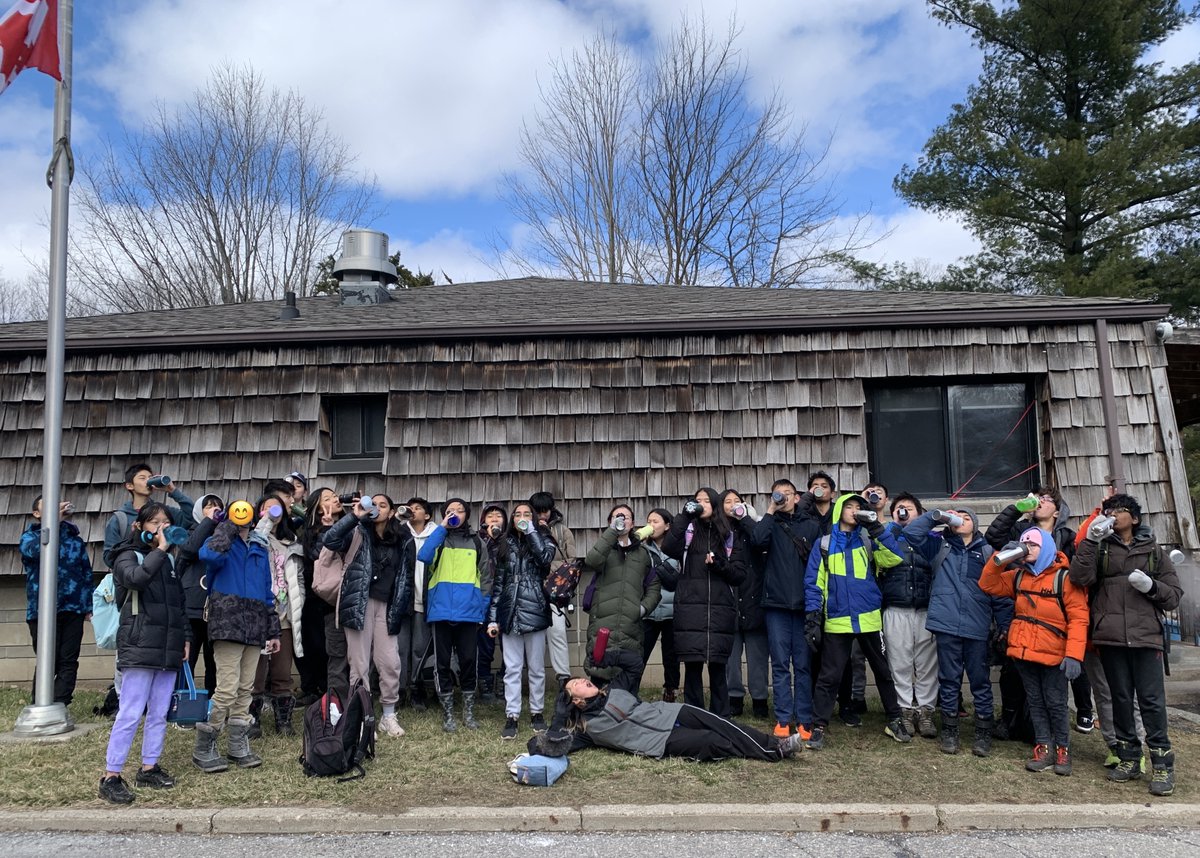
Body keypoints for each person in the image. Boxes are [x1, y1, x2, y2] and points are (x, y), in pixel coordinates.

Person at [1069, 493, 1183, 796]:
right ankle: (1129, 757)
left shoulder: (1152, 550)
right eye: (1108, 510)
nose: (1112, 515)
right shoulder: (1100, 548)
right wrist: (1090, 541)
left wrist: (1151, 586)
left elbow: (1173, 595)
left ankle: (1162, 762)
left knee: (1151, 701)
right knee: (1119, 699)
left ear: (1133, 518)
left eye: (1118, 511)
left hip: (1146, 637)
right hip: (1110, 636)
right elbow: (1079, 578)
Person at [552, 648, 803, 762]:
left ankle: (775, 747)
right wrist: (560, 712)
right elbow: (551, 745)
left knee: (721, 724)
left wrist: (606, 658)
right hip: (661, 742)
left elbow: (635, 663)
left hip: (669, 713)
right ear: (575, 700)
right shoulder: (588, 730)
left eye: (581, 678)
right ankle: (760, 749)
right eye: (576, 684)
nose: (583, 680)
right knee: (711, 741)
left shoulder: (615, 688)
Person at [803, 493, 911, 749]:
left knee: (884, 672)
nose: (853, 510)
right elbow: (813, 584)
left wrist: (876, 529)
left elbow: (894, 558)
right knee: (830, 676)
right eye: (848, 506)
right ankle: (819, 726)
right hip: (837, 620)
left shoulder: (868, 540)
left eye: (857, 507)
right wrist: (812, 618)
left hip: (869, 619)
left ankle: (894, 720)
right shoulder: (824, 544)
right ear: (839, 510)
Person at [98, 503, 190, 805]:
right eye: (154, 522)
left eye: (166, 522)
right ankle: (111, 775)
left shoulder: (170, 561)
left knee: (160, 711)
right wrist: (160, 551)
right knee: (131, 711)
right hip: (139, 643)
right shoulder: (126, 556)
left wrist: (185, 637)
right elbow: (135, 579)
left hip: (168, 645)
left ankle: (149, 766)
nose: (161, 528)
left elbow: (179, 602)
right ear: (140, 526)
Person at [979, 528, 1088, 776]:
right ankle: (1043, 747)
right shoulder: (1018, 576)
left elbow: (1079, 619)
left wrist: (1074, 655)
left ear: (1047, 548)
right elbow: (987, 584)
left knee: (1056, 703)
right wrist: (999, 558)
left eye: (1033, 544)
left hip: (1054, 655)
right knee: (1036, 702)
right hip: (1024, 653)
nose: (1027, 547)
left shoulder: (1065, 579)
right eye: (1024, 542)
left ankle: (1063, 750)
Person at [985, 487, 1093, 737]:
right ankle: (1011, 720)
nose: (1039, 503)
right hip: (1021, 602)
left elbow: (1079, 575)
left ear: (1058, 511)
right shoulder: (1020, 531)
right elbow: (994, 536)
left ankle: (1081, 712)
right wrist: (1016, 509)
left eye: (1045, 500)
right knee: (1015, 670)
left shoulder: (1066, 536)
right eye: (1037, 499)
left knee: (1063, 669)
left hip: (1057, 610)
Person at [906, 506, 1012, 756]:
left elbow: (1000, 594)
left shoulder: (988, 552)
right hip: (946, 624)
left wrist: (1004, 625)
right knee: (949, 680)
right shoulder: (940, 547)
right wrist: (936, 516)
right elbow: (911, 534)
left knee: (980, 681)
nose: (961, 521)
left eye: (966, 518)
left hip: (977, 627)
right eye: (958, 517)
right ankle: (950, 731)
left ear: (975, 525)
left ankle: (983, 733)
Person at [195, 499, 281, 772]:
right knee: (227, 689)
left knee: (246, 689)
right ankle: (204, 746)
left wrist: (273, 629)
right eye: (237, 514)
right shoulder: (221, 545)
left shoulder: (259, 547)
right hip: (227, 623)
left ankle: (237, 745)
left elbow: (268, 593)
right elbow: (207, 556)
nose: (242, 518)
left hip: (255, 626)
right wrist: (226, 527)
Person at [323, 493, 413, 738]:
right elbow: (330, 540)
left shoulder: (403, 538)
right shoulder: (357, 532)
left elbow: (406, 576)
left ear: (392, 511)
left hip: (388, 605)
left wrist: (401, 607)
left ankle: (388, 715)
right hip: (359, 603)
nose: (377, 509)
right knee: (359, 664)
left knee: (390, 662)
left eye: (383, 505)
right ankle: (362, 716)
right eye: (374, 504)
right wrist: (354, 516)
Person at [662, 488, 745, 718]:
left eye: (705, 500)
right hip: (690, 608)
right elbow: (668, 547)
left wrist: (719, 564)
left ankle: (721, 717)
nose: (700, 504)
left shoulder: (728, 535)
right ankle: (695, 716)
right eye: (696, 500)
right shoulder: (688, 531)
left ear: (715, 504)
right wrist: (685, 515)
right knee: (693, 666)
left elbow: (739, 574)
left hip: (720, 608)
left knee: (718, 667)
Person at [752, 478, 820, 741]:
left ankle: (804, 719)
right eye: (777, 494)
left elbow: (817, 564)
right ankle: (783, 718)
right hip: (776, 604)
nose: (782, 498)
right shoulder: (771, 524)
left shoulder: (811, 527)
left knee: (803, 665)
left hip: (804, 605)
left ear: (797, 497)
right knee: (780, 664)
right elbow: (757, 541)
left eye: (787, 494)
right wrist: (770, 510)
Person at [418, 497, 492, 732]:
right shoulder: (438, 538)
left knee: (469, 661)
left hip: (469, 612)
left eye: (460, 510)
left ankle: (468, 712)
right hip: (441, 611)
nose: (455, 513)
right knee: (442, 663)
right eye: (450, 510)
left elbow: (486, 578)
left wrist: (482, 607)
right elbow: (424, 556)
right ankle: (448, 713)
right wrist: (442, 528)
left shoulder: (477, 542)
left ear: (467, 515)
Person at [488, 502, 556, 740]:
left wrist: (532, 532)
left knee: (536, 668)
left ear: (535, 518)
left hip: (535, 608)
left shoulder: (544, 538)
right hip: (509, 611)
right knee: (512, 669)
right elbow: (498, 584)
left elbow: (545, 559)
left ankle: (537, 712)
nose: (521, 517)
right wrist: (493, 618)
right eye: (517, 514)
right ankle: (512, 714)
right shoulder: (504, 545)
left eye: (527, 514)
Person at [20, 495, 94, 710]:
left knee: (68, 659)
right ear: (37, 514)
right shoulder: (29, 537)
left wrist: (88, 605)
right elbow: (35, 552)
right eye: (48, 507)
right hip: (42, 609)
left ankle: (61, 703)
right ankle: (40, 704)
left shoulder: (74, 539)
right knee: (47, 658)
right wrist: (53, 523)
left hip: (73, 607)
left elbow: (86, 573)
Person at [878, 492, 938, 739]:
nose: (903, 511)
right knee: (899, 662)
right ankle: (904, 709)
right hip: (895, 608)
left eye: (909, 508)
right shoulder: (885, 537)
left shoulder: (932, 540)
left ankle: (925, 712)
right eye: (899, 508)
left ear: (920, 513)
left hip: (925, 609)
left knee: (927, 664)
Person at [583, 504, 660, 690]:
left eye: (626, 517)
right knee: (599, 669)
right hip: (603, 621)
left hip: (631, 625)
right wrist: (611, 533)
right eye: (617, 517)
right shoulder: (605, 549)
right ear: (610, 522)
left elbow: (654, 586)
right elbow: (591, 561)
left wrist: (642, 608)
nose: (622, 520)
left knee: (626, 678)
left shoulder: (643, 555)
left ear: (632, 523)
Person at [250, 496, 306, 737]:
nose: (273, 511)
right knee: (255, 671)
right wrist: (264, 521)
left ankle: (283, 720)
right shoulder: (252, 538)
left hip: (284, 614)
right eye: (266, 506)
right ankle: (251, 720)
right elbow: (255, 544)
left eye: (277, 508)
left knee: (283, 671)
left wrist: (298, 601)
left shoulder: (291, 542)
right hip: (258, 615)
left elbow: (299, 578)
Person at [722, 490, 769, 719]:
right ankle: (734, 698)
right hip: (728, 601)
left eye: (736, 501)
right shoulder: (718, 532)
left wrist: (747, 518)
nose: (732, 506)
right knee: (731, 659)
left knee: (758, 658)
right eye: (727, 502)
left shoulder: (752, 526)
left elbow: (761, 540)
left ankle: (760, 699)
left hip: (754, 598)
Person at [103, 463, 195, 570]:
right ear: (130, 485)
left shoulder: (164, 513)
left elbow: (192, 516)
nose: (148, 481)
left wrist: (172, 490)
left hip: (162, 573)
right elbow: (108, 556)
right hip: (132, 576)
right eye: (142, 478)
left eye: (150, 478)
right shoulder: (120, 519)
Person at [177, 494, 223, 700]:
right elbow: (190, 549)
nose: (213, 509)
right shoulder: (191, 532)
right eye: (208, 506)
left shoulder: (224, 534)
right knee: (190, 656)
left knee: (214, 660)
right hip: (193, 607)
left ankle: (212, 702)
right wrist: (207, 522)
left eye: (217, 506)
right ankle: (185, 702)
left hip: (217, 607)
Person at [530, 491, 578, 685]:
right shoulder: (526, 531)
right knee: (534, 636)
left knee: (557, 632)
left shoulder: (562, 531)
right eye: (538, 512)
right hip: (532, 590)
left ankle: (563, 676)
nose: (542, 516)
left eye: (545, 511)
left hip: (555, 591)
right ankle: (536, 677)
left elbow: (571, 562)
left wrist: (548, 569)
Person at [399, 496, 437, 711]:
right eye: (410, 508)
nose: (413, 511)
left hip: (425, 600)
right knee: (400, 649)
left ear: (428, 514)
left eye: (418, 508)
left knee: (420, 649)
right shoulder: (400, 533)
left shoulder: (436, 535)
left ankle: (417, 689)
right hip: (403, 601)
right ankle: (399, 690)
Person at [641, 508, 681, 702]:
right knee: (640, 653)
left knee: (671, 656)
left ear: (667, 526)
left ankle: (671, 691)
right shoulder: (642, 548)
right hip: (649, 610)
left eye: (656, 521)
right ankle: (630, 690)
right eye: (649, 521)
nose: (651, 525)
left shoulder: (678, 548)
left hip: (673, 611)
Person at [477, 503, 510, 704]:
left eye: (498, 516)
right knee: (484, 643)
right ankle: (485, 683)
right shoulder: (478, 540)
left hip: (506, 596)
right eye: (490, 516)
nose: (495, 519)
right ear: (483, 521)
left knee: (508, 643)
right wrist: (489, 539)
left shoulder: (510, 541)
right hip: (484, 596)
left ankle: (504, 682)